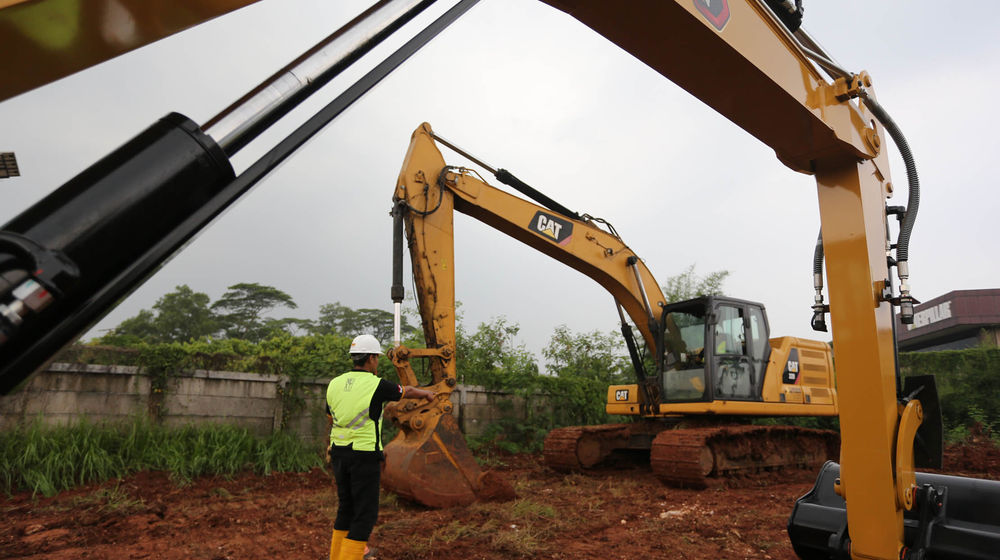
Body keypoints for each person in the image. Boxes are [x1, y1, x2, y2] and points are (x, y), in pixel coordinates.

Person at [326, 334, 435, 560]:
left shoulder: (334, 384)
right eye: (376, 358)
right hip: (364, 456)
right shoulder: (376, 384)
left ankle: (336, 557)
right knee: (365, 516)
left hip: (339, 454)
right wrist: (427, 394)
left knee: (346, 509)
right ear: (372, 358)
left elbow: (330, 418)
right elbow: (407, 391)